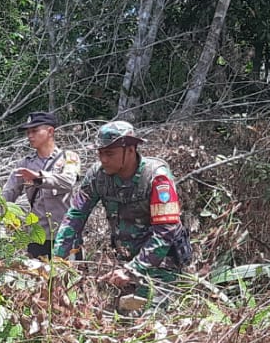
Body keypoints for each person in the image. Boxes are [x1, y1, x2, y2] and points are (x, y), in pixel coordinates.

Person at [52, 120, 193, 308]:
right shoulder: (97, 176)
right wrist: (57, 262)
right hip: (125, 261)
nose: (103, 159)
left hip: (161, 265)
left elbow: (166, 231)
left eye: (109, 153)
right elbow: (75, 216)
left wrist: (133, 269)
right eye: (100, 153)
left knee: (151, 324)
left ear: (130, 150)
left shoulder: (157, 177)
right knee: (122, 322)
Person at [1, 111, 81, 258]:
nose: (30, 136)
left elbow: (68, 181)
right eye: (28, 132)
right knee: (39, 278)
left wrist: (39, 178)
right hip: (38, 237)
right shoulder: (25, 164)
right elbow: (7, 194)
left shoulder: (69, 157)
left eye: (35, 131)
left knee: (68, 278)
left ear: (50, 131)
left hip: (65, 235)